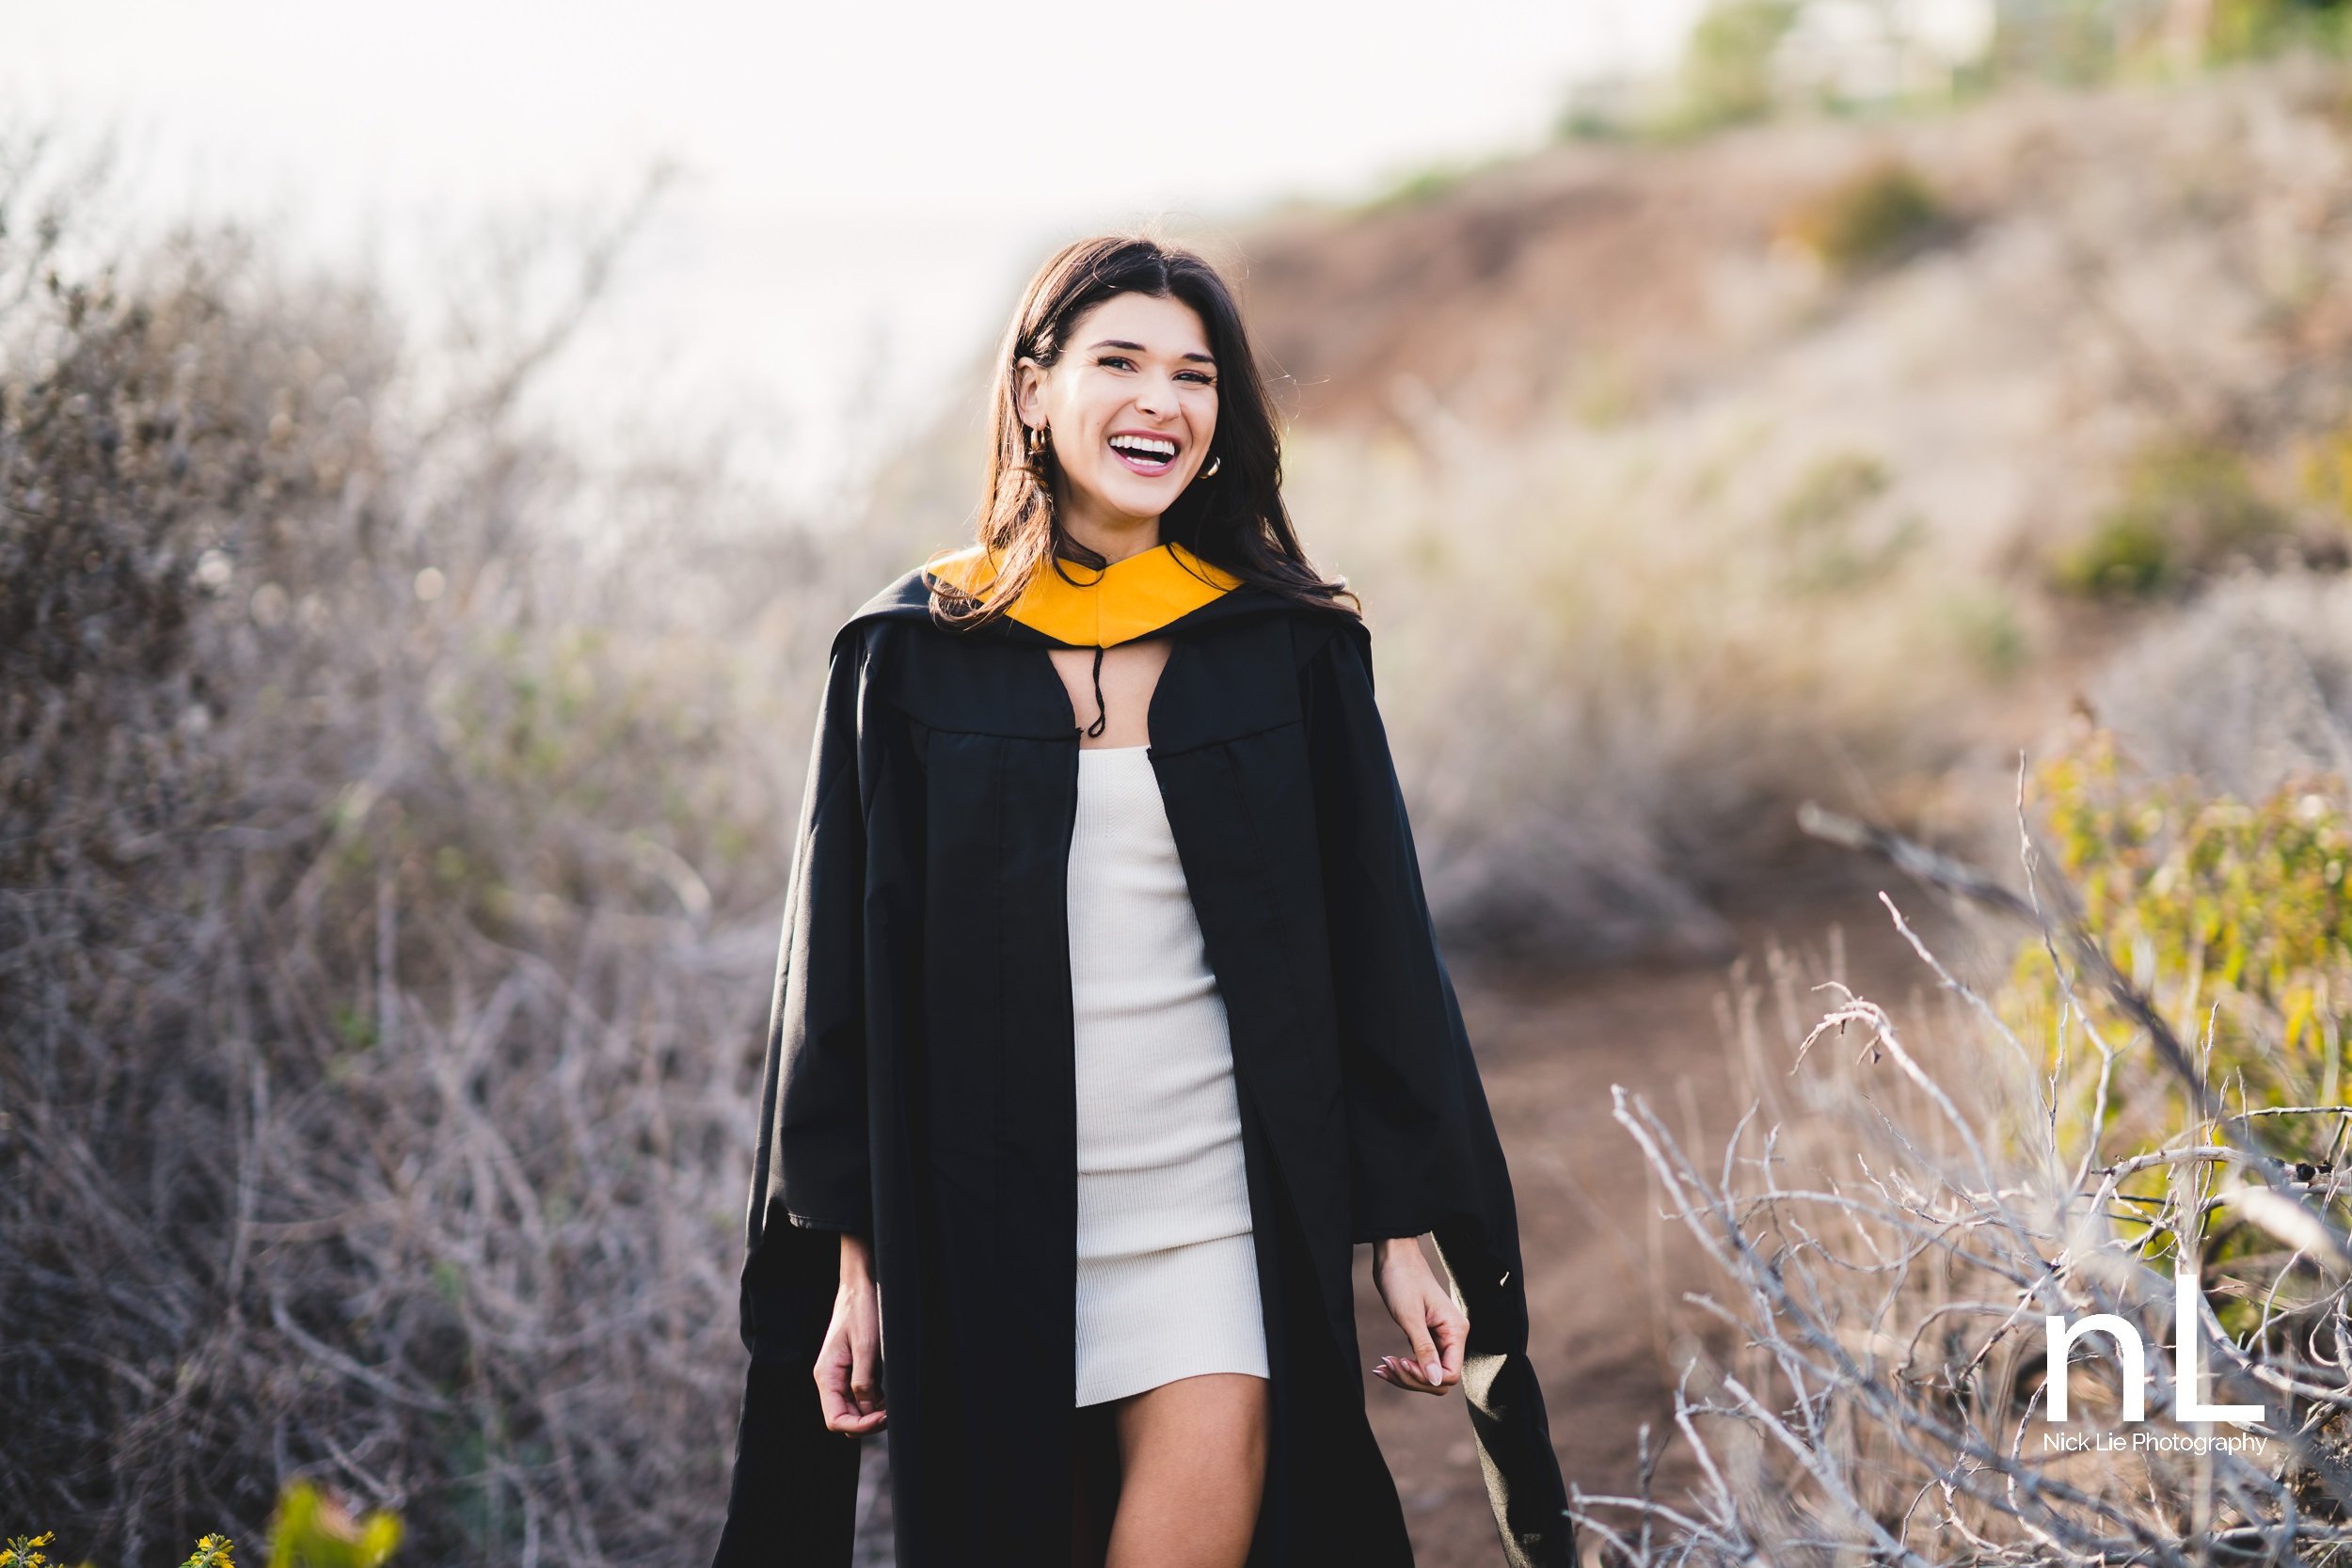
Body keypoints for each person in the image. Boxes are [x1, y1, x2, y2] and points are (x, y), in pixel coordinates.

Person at [710, 233, 1574, 1568]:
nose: (1160, 403)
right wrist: (854, 1270)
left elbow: (1376, 956)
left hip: (1211, 1223)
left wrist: (1403, 1227)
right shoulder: (909, 658)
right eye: (1119, 362)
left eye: (1196, 375)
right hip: (984, 1231)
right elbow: (838, 997)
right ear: (1035, 389)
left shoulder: (1289, 650)